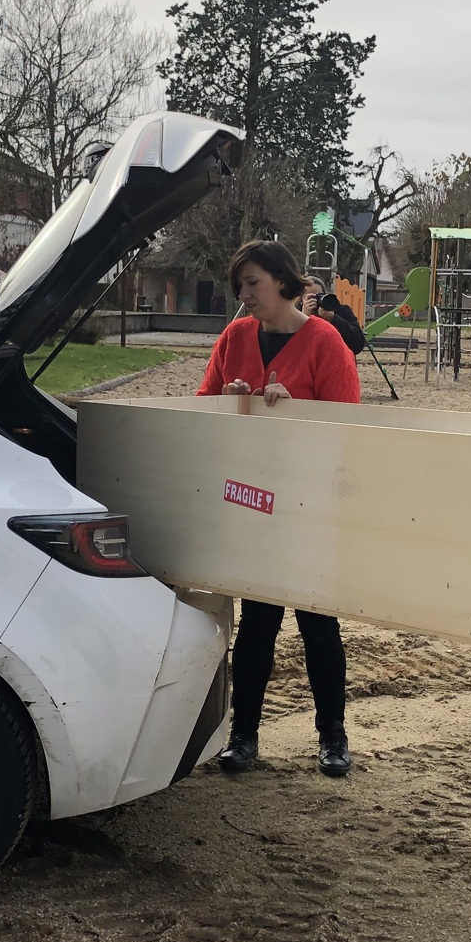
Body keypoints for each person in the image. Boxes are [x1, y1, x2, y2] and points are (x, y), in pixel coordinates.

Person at [197, 241, 361, 778]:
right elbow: (200, 408)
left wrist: (299, 411)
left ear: (283, 281)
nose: (243, 295)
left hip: (309, 504)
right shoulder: (234, 338)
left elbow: (351, 427)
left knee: (318, 625)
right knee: (257, 624)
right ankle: (243, 736)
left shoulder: (326, 341)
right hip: (253, 503)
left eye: (253, 283)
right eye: (239, 286)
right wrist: (228, 401)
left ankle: (333, 736)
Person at [303, 275, 368, 355]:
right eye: (311, 297)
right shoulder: (296, 314)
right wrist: (304, 318)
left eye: (319, 296)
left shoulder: (341, 311)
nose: (316, 300)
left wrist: (334, 319)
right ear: (301, 300)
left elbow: (358, 343)